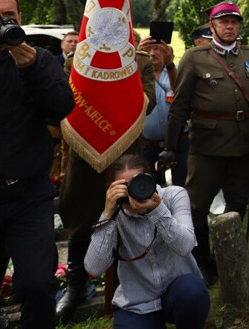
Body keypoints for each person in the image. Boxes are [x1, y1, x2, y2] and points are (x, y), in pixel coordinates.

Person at [158, 1, 249, 281]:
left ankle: (229, 258)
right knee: (197, 206)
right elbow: (180, 106)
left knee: (237, 203)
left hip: (243, 145)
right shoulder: (195, 57)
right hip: (206, 146)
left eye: (234, 21)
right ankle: (202, 261)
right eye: (223, 22)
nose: (229, 26)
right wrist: (170, 147)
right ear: (213, 26)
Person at [0, 0, 75, 329]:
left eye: (8, 17)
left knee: (38, 284)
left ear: (20, 20)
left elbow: (62, 106)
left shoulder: (40, 58)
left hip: (29, 194)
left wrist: (31, 65)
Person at [56, 32, 156, 323]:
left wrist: (117, 94)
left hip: (126, 152)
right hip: (85, 153)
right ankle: (76, 286)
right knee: (81, 217)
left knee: (132, 214)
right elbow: (65, 103)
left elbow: (147, 103)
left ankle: (131, 284)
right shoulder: (77, 60)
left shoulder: (140, 61)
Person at [85, 154, 209, 328]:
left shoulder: (173, 196)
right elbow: (93, 268)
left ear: (149, 179)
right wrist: (107, 215)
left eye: (138, 183)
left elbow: (186, 246)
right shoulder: (115, 212)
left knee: (192, 292)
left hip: (179, 291)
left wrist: (157, 210)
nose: (133, 192)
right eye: (125, 187)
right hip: (138, 303)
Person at [138, 36, 188, 187]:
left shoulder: (174, 71)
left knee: (181, 186)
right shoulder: (138, 73)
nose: (153, 53)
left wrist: (170, 65)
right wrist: (137, 57)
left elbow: (181, 90)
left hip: (178, 142)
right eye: (149, 49)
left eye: (158, 49)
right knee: (149, 186)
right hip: (147, 144)